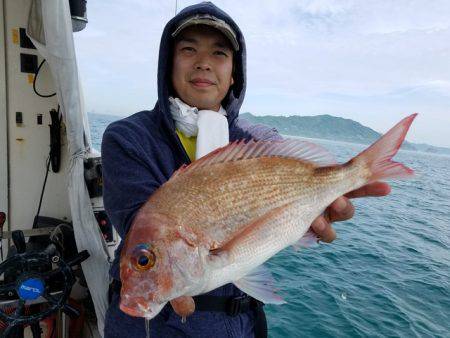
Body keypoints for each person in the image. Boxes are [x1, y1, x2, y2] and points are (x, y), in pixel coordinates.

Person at [101, 2, 391, 337]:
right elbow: (143, 228)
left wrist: (314, 210)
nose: (204, 62)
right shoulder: (129, 138)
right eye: (188, 49)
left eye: (219, 53)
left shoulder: (256, 141)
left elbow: (273, 223)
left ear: (234, 73)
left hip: (239, 324)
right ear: (168, 64)